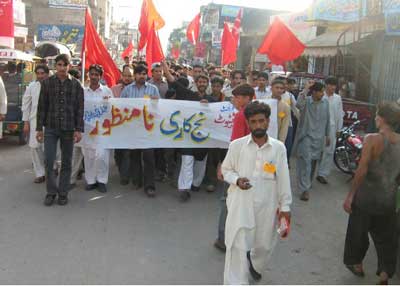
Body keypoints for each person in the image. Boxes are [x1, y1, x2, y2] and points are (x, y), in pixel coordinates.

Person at [222, 101, 292, 284]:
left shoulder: (278, 148)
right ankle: (236, 281)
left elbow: (284, 179)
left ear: (268, 122)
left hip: (267, 204)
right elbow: (226, 170)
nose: (258, 125)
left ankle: (255, 264)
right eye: (253, 122)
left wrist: (285, 207)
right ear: (248, 123)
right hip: (241, 202)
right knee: (236, 244)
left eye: (261, 121)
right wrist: (236, 180)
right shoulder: (237, 146)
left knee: (263, 245)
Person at [343, 102, 400, 285]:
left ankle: (357, 264)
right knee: (386, 239)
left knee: (357, 233)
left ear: (381, 119)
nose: (375, 119)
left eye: (377, 116)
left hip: (366, 198)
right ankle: (384, 274)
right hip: (388, 199)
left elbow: (362, 170)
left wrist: (351, 195)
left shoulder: (372, 139)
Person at [36, 54, 84, 206]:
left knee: (66, 162)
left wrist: (78, 129)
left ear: (70, 66)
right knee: (49, 161)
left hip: (69, 129)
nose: (62, 68)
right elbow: (42, 107)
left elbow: (79, 109)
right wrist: (39, 129)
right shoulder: (47, 83)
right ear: (55, 66)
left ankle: (63, 193)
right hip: (50, 128)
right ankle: (51, 192)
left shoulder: (76, 85)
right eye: (59, 65)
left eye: (65, 65)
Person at [213, 83, 254, 252]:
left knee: (226, 201)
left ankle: (223, 238)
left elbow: (235, 144)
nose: (235, 101)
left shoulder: (240, 116)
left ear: (246, 98)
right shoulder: (257, 115)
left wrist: (224, 165)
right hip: (251, 163)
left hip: (237, 165)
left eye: (237, 97)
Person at [161, 61, 209, 202]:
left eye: (204, 82)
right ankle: (184, 188)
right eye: (199, 81)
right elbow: (173, 82)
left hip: (204, 137)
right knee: (187, 159)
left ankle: (195, 184)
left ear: (207, 84)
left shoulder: (213, 99)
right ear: (195, 82)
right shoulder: (189, 95)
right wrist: (165, 69)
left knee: (200, 161)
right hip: (188, 135)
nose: (201, 83)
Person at [120, 64, 160, 197]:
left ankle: (150, 186)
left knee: (149, 157)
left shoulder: (153, 89)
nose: (142, 76)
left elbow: (160, 109)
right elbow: (120, 108)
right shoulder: (126, 90)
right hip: (132, 128)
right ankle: (137, 181)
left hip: (148, 129)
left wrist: (157, 102)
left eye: (144, 74)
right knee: (134, 155)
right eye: (139, 74)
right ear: (135, 75)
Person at [295, 82, 330, 202]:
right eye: (320, 91)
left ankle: (307, 183)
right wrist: (305, 89)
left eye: (323, 91)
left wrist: (328, 134)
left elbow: (328, 119)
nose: (323, 94)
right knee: (305, 162)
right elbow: (298, 104)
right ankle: (304, 189)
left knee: (313, 162)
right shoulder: (306, 102)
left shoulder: (325, 103)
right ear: (314, 92)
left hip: (319, 138)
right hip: (306, 136)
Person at [82, 64, 113, 193]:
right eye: (92, 74)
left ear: (100, 76)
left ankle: (102, 180)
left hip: (103, 129)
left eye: (96, 75)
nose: (94, 77)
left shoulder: (107, 91)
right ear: (88, 75)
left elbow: (113, 109)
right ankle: (91, 181)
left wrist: (108, 102)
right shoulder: (83, 92)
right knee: (88, 155)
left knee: (102, 156)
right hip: (87, 129)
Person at [21, 65, 50, 183]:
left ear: (47, 74)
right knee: (34, 147)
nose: (40, 76)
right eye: (38, 73)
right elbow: (26, 105)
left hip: (50, 122)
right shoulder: (32, 87)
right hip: (34, 121)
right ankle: (40, 173)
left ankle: (52, 169)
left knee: (50, 148)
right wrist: (26, 122)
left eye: (42, 73)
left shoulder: (53, 85)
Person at [316, 77, 344, 184]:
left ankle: (322, 174)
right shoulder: (320, 96)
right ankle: (312, 172)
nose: (333, 87)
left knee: (329, 151)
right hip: (319, 128)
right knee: (318, 150)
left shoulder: (337, 98)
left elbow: (340, 114)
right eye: (330, 85)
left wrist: (339, 129)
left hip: (332, 129)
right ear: (326, 85)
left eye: (334, 85)